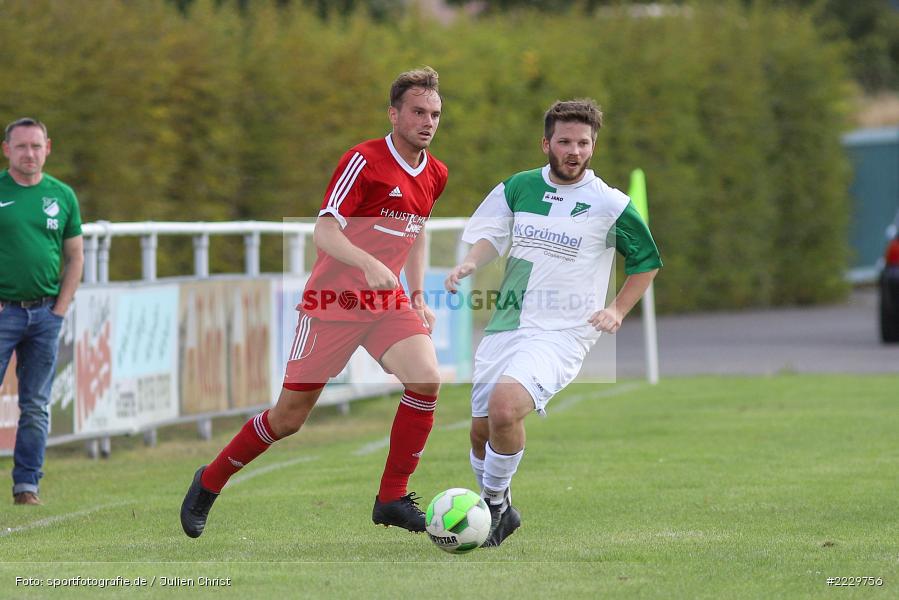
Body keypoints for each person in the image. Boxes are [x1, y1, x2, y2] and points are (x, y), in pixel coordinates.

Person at [181, 67, 448, 537]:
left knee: (426, 379)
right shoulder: (363, 161)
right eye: (418, 112)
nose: (427, 122)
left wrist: (420, 294)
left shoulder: (436, 173)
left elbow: (417, 230)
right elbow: (324, 231)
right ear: (393, 114)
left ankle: (391, 496)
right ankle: (210, 480)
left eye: (435, 114)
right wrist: (365, 262)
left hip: (387, 304)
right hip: (334, 304)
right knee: (288, 420)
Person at [445, 99, 662, 547]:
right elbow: (490, 234)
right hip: (508, 324)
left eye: (583, 142)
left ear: (593, 146)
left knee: (506, 408)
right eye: (565, 141)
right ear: (547, 143)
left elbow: (647, 261)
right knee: (482, 429)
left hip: (563, 332)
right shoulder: (519, 188)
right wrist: (470, 262)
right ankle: (498, 504)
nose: (574, 150)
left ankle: (493, 507)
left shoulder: (609, 204)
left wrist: (617, 309)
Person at [0, 118, 84, 506]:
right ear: (7, 150)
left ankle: (26, 486)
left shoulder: (63, 195)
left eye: (35, 146)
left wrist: (60, 309)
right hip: (4, 313)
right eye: (21, 147)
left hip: (45, 316)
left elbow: (75, 255)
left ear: (48, 147)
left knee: (35, 405)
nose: (29, 154)